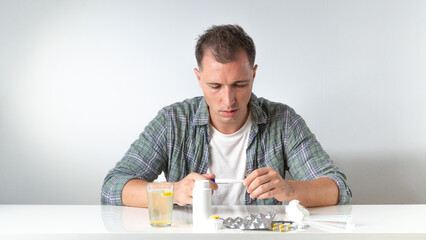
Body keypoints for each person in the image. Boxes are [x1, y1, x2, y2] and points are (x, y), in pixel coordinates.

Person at [101, 24, 352, 208]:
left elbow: (338, 188)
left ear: (254, 74)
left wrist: (289, 189)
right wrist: (173, 191)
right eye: (215, 86)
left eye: (240, 84)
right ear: (198, 78)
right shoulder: (172, 122)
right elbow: (112, 187)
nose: (228, 100)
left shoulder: (283, 121)